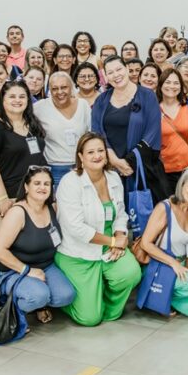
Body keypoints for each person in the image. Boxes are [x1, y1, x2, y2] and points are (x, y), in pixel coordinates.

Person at [54, 134, 141, 326]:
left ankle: (104, 305)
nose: (97, 156)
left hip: (109, 249)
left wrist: (120, 235)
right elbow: (76, 228)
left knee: (131, 273)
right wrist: (113, 241)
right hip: (79, 254)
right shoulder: (70, 182)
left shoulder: (113, 177)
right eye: (91, 152)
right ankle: (65, 302)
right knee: (89, 319)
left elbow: (120, 213)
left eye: (101, 151)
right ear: (80, 157)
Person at [0, 166, 75, 324]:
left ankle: (39, 305)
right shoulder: (17, 212)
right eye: (37, 183)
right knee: (38, 295)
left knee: (65, 296)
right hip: (13, 270)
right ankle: (13, 312)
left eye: (46, 184)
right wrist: (27, 270)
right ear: (26, 187)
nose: (42, 187)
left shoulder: (52, 208)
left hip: (45, 266)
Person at [140, 167, 188, 317]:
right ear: (181, 185)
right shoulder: (164, 208)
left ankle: (164, 299)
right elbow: (145, 243)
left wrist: (187, 269)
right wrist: (173, 263)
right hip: (162, 266)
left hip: (181, 266)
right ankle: (160, 296)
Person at [0, 81, 47, 244]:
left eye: (22, 96)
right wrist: (2, 198)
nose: (17, 100)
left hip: (33, 198)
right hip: (8, 199)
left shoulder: (33, 125)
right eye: (12, 96)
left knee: (29, 247)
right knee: (2, 248)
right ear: (3, 100)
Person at [33, 72, 91, 186]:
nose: (60, 92)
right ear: (49, 90)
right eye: (54, 89)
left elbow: (90, 134)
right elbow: (19, 116)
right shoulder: (39, 107)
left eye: (64, 87)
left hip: (82, 166)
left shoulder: (83, 105)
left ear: (72, 88)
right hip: (55, 169)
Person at [157, 68, 188, 189]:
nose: (172, 86)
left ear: (181, 86)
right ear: (160, 85)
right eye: (168, 82)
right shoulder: (154, 108)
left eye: (176, 83)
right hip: (162, 170)